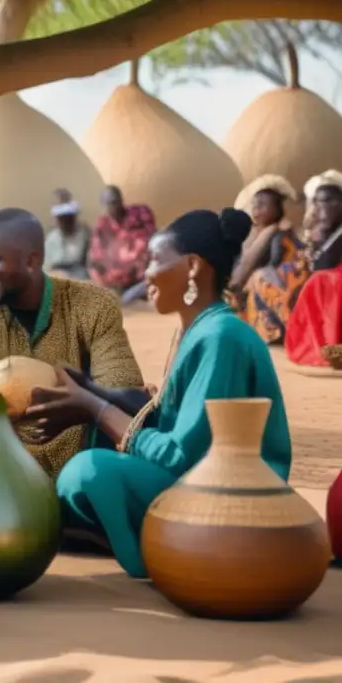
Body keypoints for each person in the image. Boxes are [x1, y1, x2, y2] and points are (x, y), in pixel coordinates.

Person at [35, 208, 290, 578]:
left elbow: (178, 457)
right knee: (89, 446)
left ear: (192, 267)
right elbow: (168, 417)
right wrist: (91, 391)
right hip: (194, 478)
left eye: (154, 260)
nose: (145, 274)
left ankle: (151, 556)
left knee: (88, 471)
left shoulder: (220, 339)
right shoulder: (196, 330)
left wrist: (97, 408)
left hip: (230, 501)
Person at [0, 208, 144, 476]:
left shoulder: (92, 306)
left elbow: (124, 390)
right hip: (0, 470)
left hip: (80, 469)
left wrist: (82, 403)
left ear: (31, 260)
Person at [228, 175, 307, 344]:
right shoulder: (255, 234)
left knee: (258, 279)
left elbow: (276, 267)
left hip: (282, 287)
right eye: (255, 206)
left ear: (277, 208)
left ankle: (275, 328)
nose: (257, 211)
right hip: (258, 286)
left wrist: (249, 280)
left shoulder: (279, 234)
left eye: (262, 206)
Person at [286, 171, 342, 367]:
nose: (323, 208)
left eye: (330, 201)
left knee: (326, 281)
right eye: (317, 202)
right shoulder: (320, 234)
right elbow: (319, 264)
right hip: (326, 285)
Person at [88, 186, 157, 304]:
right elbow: (96, 258)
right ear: (103, 206)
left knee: (128, 301)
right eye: (109, 204)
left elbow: (153, 240)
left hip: (144, 278)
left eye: (116, 202)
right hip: (117, 285)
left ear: (121, 200)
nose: (114, 207)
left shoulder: (140, 213)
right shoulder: (102, 226)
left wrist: (139, 264)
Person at [44, 190, 91, 280]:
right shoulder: (52, 238)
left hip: (78, 276)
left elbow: (87, 264)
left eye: (68, 218)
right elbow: (47, 268)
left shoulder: (84, 234)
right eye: (61, 218)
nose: (65, 222)